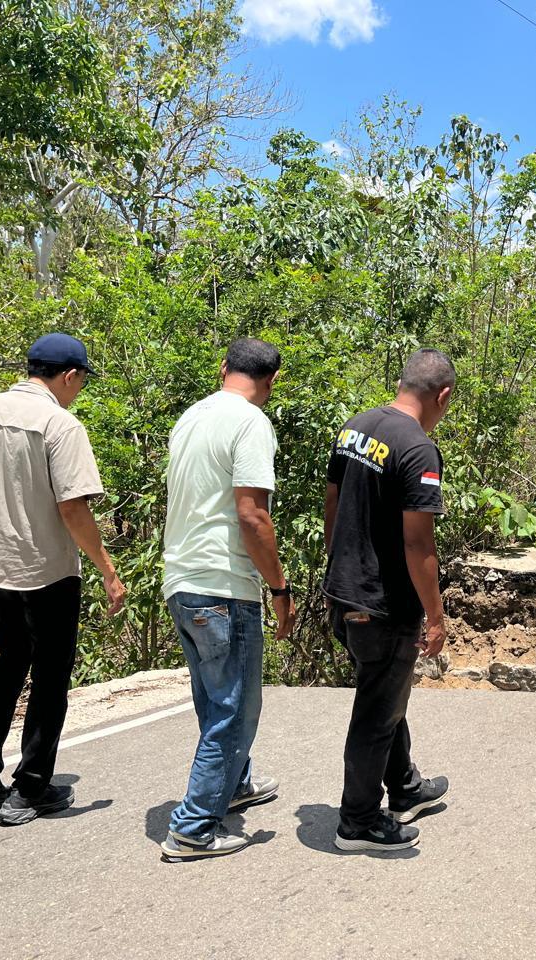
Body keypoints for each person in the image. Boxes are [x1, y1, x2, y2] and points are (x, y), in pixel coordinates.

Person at [0, 332, 126, 825]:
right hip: (46, 573)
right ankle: (31, 787)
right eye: (81, 380)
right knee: (49, 674)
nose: (79, 389)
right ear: (69, 376)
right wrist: (108, 569)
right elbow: (73, 507)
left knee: (10, 659)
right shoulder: (60, 425)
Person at [159, 338, 294, 860]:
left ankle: (233, 785)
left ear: (223, 369)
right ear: (272, 380)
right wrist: (279, 588)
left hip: (183, 580)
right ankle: (192, 828)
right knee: (235, 709)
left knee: (215, 700)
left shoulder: (191, 417)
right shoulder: (251, 424)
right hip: (223, 586)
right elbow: (252, 515)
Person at [323, 348, 455, 851]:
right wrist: (436, 616)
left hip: (345, 590)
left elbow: (333, 500)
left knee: (385, 691)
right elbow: (418, 542)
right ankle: (357, 822)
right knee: (376, 709)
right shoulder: (418, 449)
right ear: (442, 396)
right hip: (382, 602)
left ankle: (403, 788)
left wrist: (338, 569)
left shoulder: (356, 427)